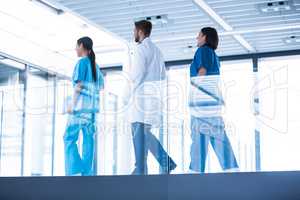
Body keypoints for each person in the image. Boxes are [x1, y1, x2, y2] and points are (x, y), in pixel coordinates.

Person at [124, 20, 176, 175]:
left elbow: (137, 76)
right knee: (144, 134)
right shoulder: (158, 51)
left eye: (134, 30)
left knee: (140, 133)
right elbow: (162, 76)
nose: (133, 33)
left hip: (140, 99)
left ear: (140, 31)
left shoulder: (141, 49)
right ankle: (141, 168)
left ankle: (144, 168)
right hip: (153, 98)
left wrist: (126, 96)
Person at [189, 27, 239, 173]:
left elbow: (202, 71)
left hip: (202, 102)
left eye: (198, 35)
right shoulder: (213, 55)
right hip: (211, 101)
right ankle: (231, 169)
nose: (196, 38)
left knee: (200, 137)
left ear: (205, 37)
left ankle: (195, 172)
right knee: (215, 135)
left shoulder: (203, 51)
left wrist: (194, 93)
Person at [64, 36, 104, 176]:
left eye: (76, 45)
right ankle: (87, 173)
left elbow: (79, 85)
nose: (75, 48)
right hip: (92, 110)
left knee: (68, 138)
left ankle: (75, 168)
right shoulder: (95, 66)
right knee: (88, 140)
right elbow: (100, 88)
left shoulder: (82, 62)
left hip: (80, 109)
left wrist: (71, 104)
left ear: (82, 46)